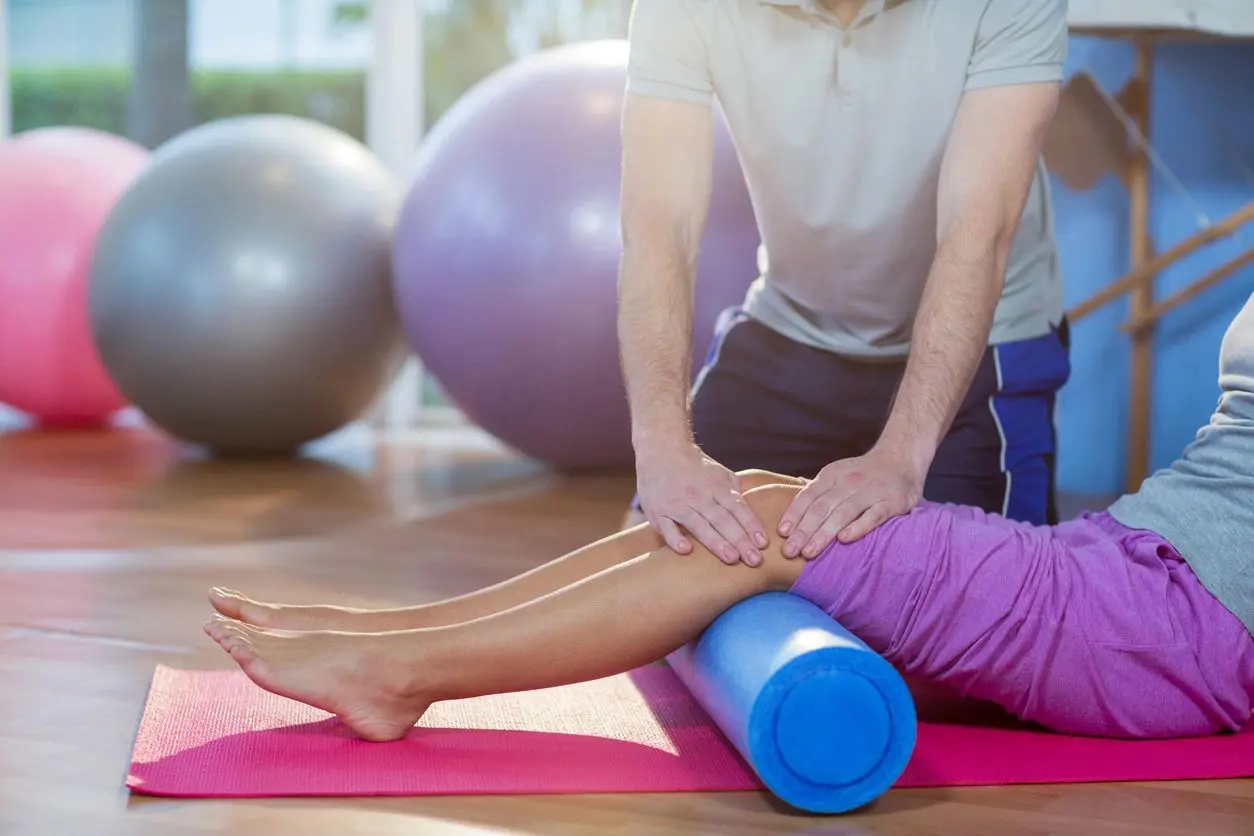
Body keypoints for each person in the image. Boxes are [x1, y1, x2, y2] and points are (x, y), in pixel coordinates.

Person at [204, 294, 1254, 744]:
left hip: (1177, 626)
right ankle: (387, 637)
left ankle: (396, 674)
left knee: (767, 525)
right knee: (746, 496)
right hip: (1127, 562)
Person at [617, 0, 1072, 570]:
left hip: (986, 344)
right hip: (794, 325)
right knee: (653, 552)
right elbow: (660, 227)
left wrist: (901, 458)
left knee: (979, 606)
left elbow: (976, 230)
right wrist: (661, 448)